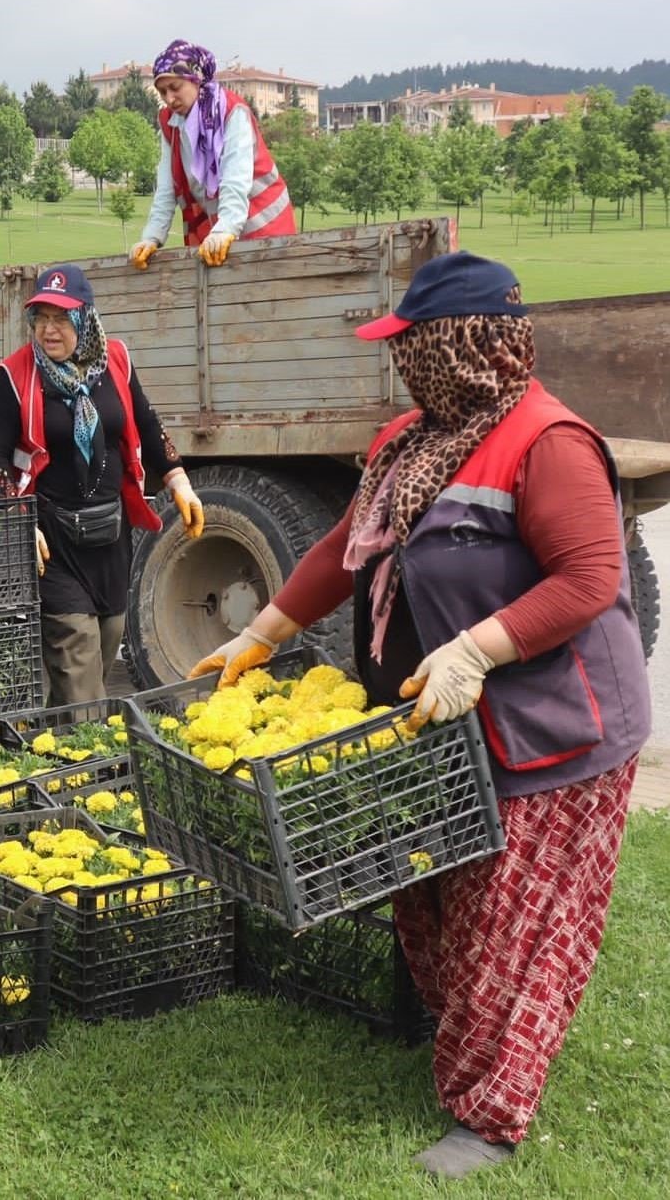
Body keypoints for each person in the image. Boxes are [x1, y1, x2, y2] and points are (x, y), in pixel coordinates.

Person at [189, 251, 651, 1179]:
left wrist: (481, 646)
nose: (402, 361)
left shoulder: (548, 441)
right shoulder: (412, 438)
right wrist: (267, 632)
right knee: (435, 900)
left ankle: (491, 1113)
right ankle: (468, 1043)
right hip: (449, 729)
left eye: (414, 343)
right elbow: (343, 546)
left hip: (556, 730)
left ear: (466, 345)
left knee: (508, 923)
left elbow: (589, 579)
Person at [0, 263, 204, 705]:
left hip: (110, 534)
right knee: (76, 656)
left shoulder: (114, 361)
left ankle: (63, 750)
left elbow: (144, 419)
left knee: (102, 647)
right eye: (41, 318)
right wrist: (18, 522)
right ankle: (92, 765)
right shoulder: (12, 378)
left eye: (62, 318)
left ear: (86, 318)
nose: (49, 330)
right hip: (53, 540)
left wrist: (179, 480)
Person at [128, 39, 297, 271]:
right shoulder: (170, 124)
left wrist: (225, 228)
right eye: (162, 91)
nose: (169, 98)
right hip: (221, 233)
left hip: (266, 228)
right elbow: (167, 189)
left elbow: (235, 179)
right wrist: (151, 237)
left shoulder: (231, 111)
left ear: (195, 79)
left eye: (175, 88)